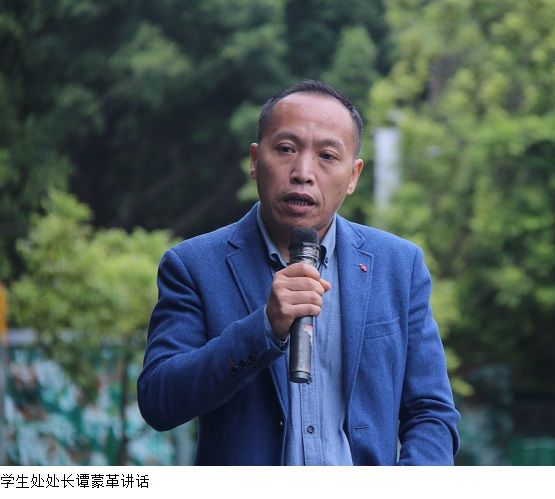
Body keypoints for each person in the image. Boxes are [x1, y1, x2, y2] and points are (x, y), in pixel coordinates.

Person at [137, 80, 460, 465]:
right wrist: (263, 328)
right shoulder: (193, 265)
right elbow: (159, 401)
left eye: (327, 156)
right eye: (286, 149)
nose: (303, 172)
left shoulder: (398, 266)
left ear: (353, 176)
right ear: (255, 160)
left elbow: (431, 413)